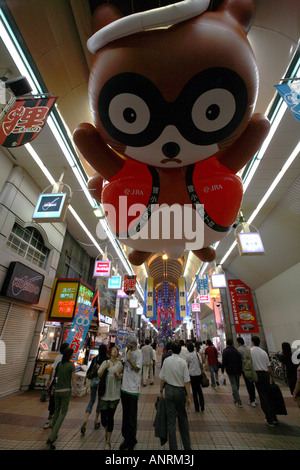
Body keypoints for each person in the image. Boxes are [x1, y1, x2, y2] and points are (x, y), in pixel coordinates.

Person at [159, 341, 191, 450]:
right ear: (180, 350)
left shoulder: (166, 361)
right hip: (180, 392)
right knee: (183, 419)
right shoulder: (182, 362)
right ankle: (187, 446)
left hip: (169, 391)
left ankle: (173, 448)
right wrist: (189, 397)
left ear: (171, 350)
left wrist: (160, 391)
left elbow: (162, 378)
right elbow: (186, 381)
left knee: (171, 421)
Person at [46, 347, 77, 449]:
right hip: (65, 391)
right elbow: (73, 378)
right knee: (63, 413)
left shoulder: (59, 364)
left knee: (56, 412)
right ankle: (52, 436)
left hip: (57, 391)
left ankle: (53, 437)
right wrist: (75, 389)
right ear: (70, 355)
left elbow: (55, 375)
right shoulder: (71, 365)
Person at [119, 336, 143, 450]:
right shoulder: (127, 351)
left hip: (133, 390)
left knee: (132, 416)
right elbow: (124, 365)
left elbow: (138, 368)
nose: (126, 344)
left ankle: (131, 441)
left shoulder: (139, 353)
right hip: (124, 388)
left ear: (131, 344)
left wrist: (129, 360)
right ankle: (126, 438)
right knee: (125, 415)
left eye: (127, 343)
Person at [98, 346, 123, 450]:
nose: (114, 351)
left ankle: (108, 441)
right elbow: (99, 375)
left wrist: (118, 376)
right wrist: (105, 367)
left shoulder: (120, 364)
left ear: (117, 353)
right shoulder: (105, 362)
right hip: (104, 394)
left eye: (116, 350)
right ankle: (107, 430)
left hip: (115, 394)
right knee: (104, 418)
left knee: (111, 416)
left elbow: (122, 377)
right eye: (113, 350)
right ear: (110, 352)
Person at [80, 344, 108, 435]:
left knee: (91, 400)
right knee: (100, 401)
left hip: (93, 382)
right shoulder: (107, 359)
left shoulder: (96, 358)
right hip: (101, 383)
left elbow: (89, 371)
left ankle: (85, 420)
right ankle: (96, 420)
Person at [250, 336, 278, 427]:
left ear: (253, 342)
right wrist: (272, 377)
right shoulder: (263, 352)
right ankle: (274, 417)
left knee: (263, 397)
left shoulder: (250, 351)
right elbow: (269, 366)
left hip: (257, 375)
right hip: (265, 375)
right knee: (268, 395)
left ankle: (269, 419)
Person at [44, 342, 69, 429]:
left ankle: (50, 419)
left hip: (55, 383)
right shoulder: (64, 359)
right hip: (60, 384)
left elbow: (52, 369)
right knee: (56, 403)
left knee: (53, 401)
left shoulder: (58, 357)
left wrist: (49, 380)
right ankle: (52, 420)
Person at [222, 338, 243, 407]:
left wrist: (223, 370)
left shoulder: (225, 351)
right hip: (237, 370)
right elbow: (240, 362)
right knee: (236, 384)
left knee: (234, 384)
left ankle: (238, 400)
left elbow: (224, 362)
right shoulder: (236, 351)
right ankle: (236, 397)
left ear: (227, 344)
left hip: (230, 370)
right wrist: (240, 370)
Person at [236, 337, 257, 407]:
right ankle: (254, 398)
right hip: (251, 368)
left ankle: (252, 400)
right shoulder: (249, 349)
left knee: (248, 385)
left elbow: (238, 361)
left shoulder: (239, 350)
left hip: (244, 369)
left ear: (239, 342)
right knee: (252, 384)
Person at [186, 342, 205, 412]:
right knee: (199, 390)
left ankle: (197, 407)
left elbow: (187, 365)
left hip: (192, 375)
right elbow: (201, 363)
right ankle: (202, 405)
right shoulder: (197, 354)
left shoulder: (188, 356)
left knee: (194, 391)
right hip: (198, 374)